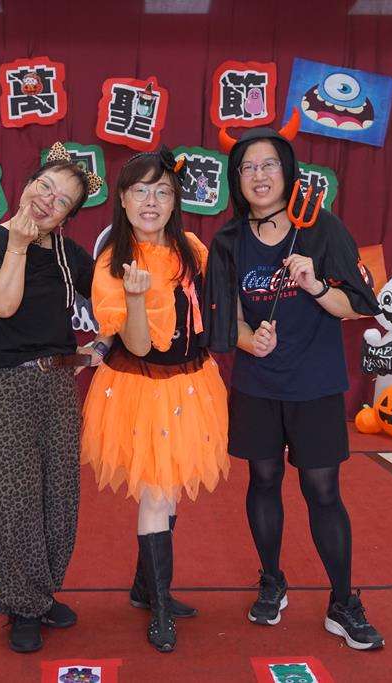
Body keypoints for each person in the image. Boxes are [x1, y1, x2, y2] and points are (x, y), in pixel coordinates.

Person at [201, 115, 385, 650]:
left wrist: (315, 285)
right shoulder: (229, 239)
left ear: (288, 172)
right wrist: (248, 341)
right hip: (257, 386)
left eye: (269, 165)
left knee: (322, 491)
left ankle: (343, 602)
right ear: (236, 179)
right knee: (262, 482)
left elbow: (357, 306)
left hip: (315, 385)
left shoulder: (322, 229)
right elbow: (225, 317)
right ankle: (272, 579)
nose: (260, 176)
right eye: (248, 167)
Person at [81, 147, 229, 653]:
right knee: (157, 492)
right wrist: (136, 297)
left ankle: (145, 588)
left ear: (175, 201)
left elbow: (212, 311)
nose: (151, 201)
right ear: (122, 199)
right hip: (140, 390)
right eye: (140, 191)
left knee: (171, 483)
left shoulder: (192, 248)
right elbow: (139, 345)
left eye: (162, 191)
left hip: (192, 384)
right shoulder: (113, 261)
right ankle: (160, 605)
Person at [0, 143, 106, 654]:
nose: (48, 200)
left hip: (58, 386)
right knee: (13, 500)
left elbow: (110, 297)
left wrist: (101, 346)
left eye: (63, 200)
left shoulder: (69, 256)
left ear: (68, 216)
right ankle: (21, 605)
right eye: (44, 186)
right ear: (26, 185)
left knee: (58, 497)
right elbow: (2, 304)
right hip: (3, 386)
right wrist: (19, 246)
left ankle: (42, 593)